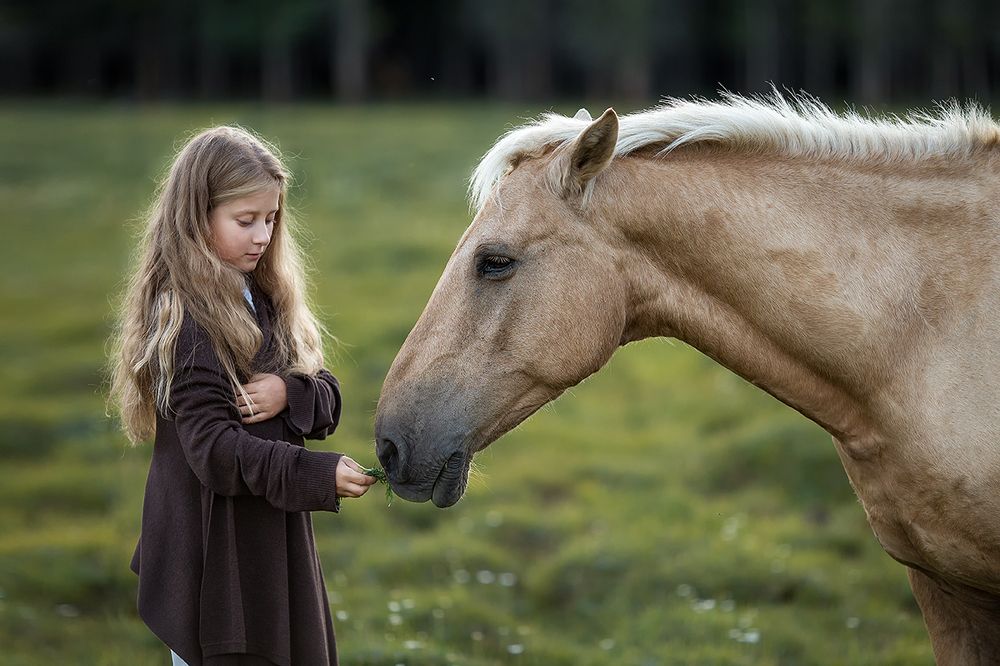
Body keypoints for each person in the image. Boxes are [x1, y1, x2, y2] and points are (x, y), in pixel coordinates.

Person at [108, 125, 377, 666]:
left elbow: (328, 394)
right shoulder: (186, 319)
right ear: (196, 218)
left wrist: (289, 390)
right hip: (216, 553)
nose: (262, 235)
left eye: (271, 219)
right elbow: (213, 451)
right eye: (245, 221)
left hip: (268, 535)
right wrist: (315, 475)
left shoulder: (264, 294)